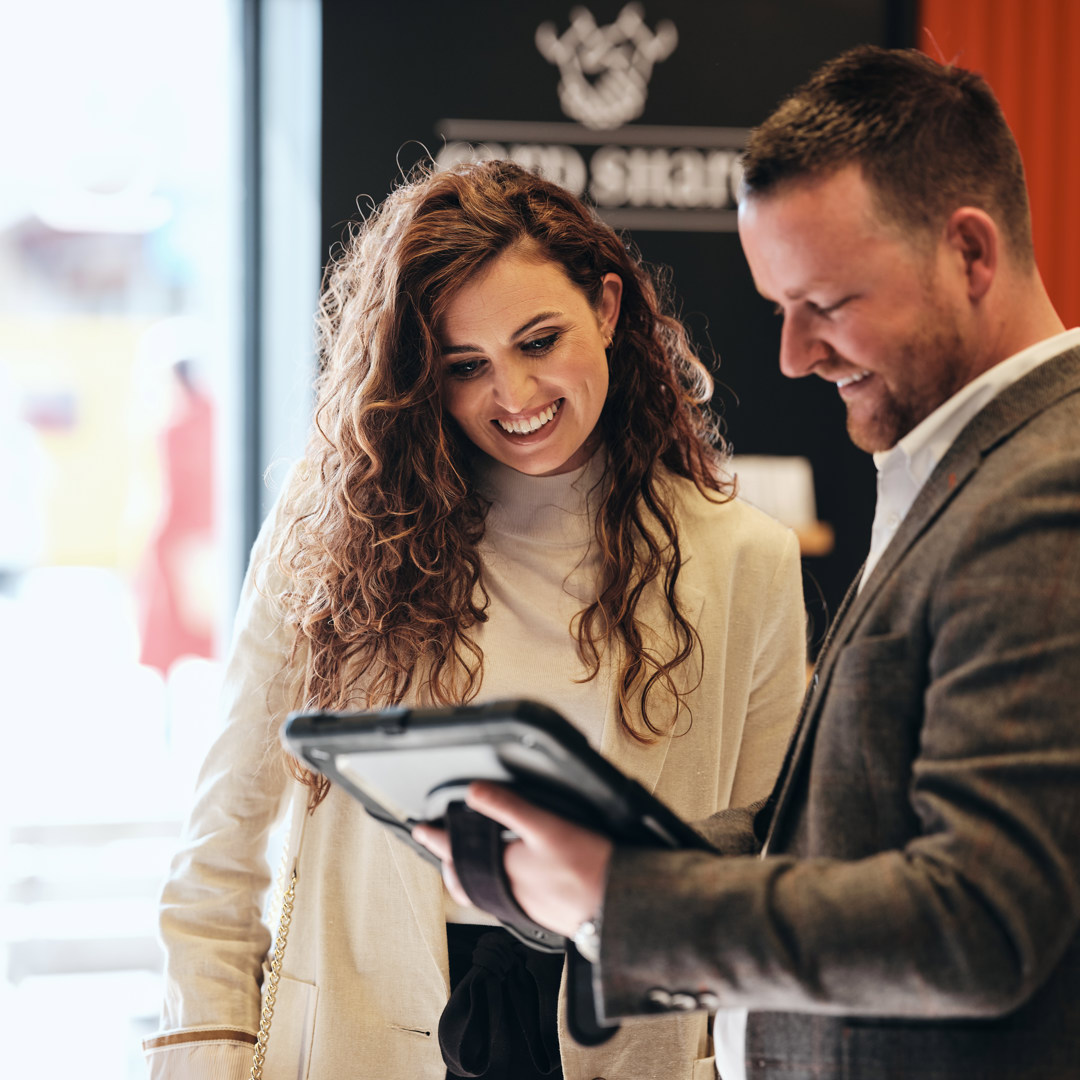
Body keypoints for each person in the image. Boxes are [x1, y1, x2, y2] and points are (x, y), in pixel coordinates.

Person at [417, 46, 1080, 1080]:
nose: (794, 356)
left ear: (970, 254)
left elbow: (976, 923)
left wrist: (617, 896)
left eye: (828, 303)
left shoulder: (1049, 491)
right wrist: (575, 865)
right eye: (780, 310)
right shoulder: (956, 468)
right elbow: (816, 846)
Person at [142, 159, 807, 1080]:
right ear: (422, 375)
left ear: (608, 310)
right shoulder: (333, 534)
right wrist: (206, 1055)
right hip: (362, 1031)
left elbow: (769, 883)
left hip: (628, 1046)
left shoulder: (746, 560)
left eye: (540, 340)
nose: (516, 396)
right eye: (467, 366)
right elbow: (221, 852)